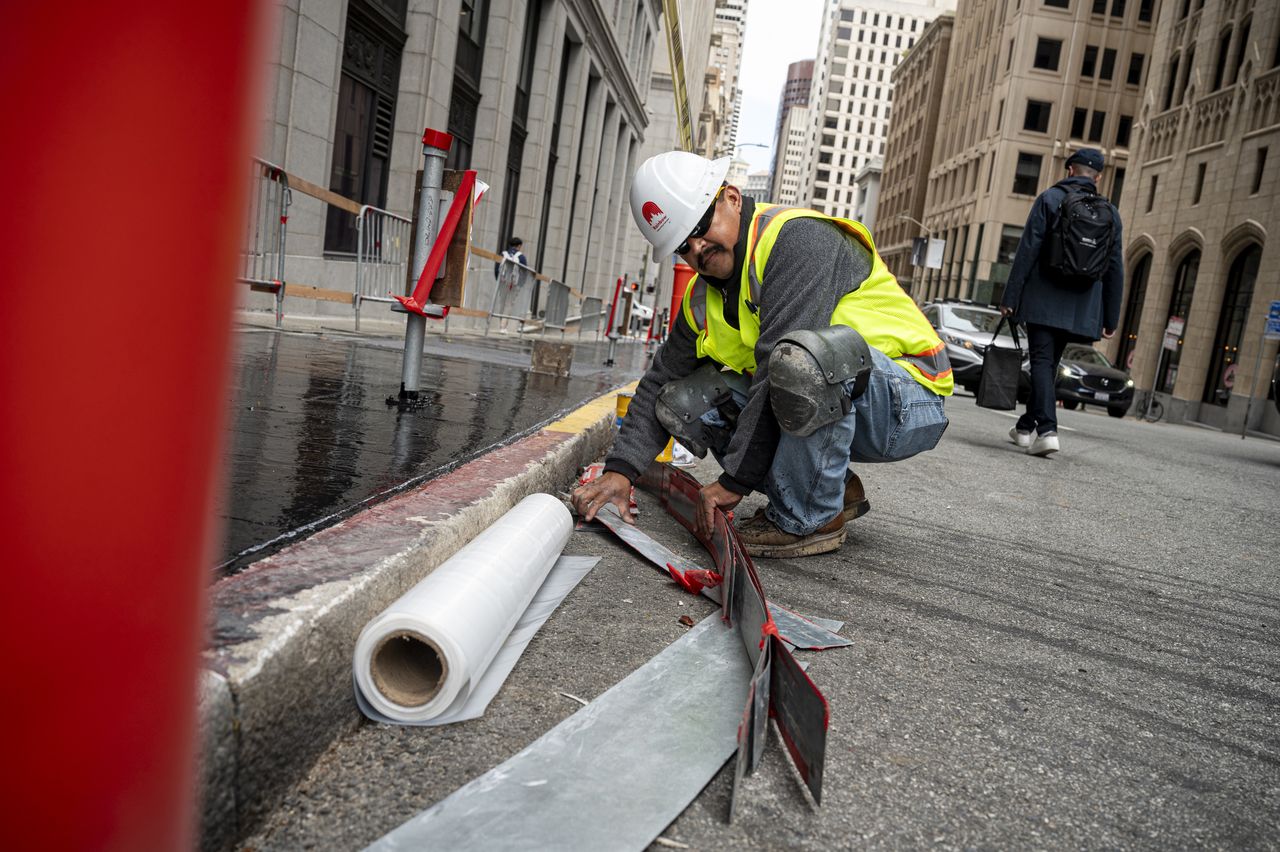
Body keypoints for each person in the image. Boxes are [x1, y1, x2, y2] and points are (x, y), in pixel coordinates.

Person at [571, 151, 952, 558]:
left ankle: (811, 518)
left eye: (701, 226)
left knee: (800, 355)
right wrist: (620, 471)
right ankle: (831, 489)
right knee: (680, 401)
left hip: (908, 396)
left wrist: (733, 482)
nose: (698, 247)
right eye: (684, 245)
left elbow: (779, 365)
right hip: (839, 390)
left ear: (732, 198)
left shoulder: (797, 240)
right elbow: (658, 381)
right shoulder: (703, 300)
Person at [999, 148, 1124, 457]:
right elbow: (1115, 267)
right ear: (1097, 177)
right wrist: (1111, 317)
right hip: (1081, 304)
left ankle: (1048, 430)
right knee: (1049, 363)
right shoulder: (1111, 212)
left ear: (1070, 171)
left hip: (1044, 297)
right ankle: (1025, 427)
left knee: (1042, 362)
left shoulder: (1049, 199)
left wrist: (1010, 298)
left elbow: (1027, 249)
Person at [494, 237, 528, 333]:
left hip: (502, 282)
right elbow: (524, 272)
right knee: (509, 304)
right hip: (513, 284)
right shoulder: (521, 257)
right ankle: (503, 327)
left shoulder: (503, 254)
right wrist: (520, 285)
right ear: (519, 246)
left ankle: (501, 325)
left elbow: (497, 268)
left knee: (502, 303)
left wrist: (498, 280)